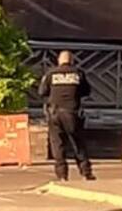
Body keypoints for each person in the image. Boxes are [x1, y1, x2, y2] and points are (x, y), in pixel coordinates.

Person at [39, 49, 95, 182]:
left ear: (59, 61)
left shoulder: (51, 73)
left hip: (54, 113)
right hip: (72, 113)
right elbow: (86, 91)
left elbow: (42, 92)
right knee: (78, 143)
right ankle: (86, 173)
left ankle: (62, 175)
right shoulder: (78, 73)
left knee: (57, 144)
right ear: (72, 61)